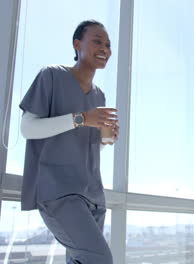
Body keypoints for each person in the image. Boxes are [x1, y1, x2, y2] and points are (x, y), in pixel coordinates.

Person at [19, 20, 118, 264]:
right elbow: (27, 128)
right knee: (100, 260)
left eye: (108, 44)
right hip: (59, 192)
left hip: (93, 196)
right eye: (97, 41)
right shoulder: (52, 75)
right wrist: (82, 118)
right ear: (77, 44)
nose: (104, 48)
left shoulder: (99, 95)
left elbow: (89, 145)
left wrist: (106, 137)